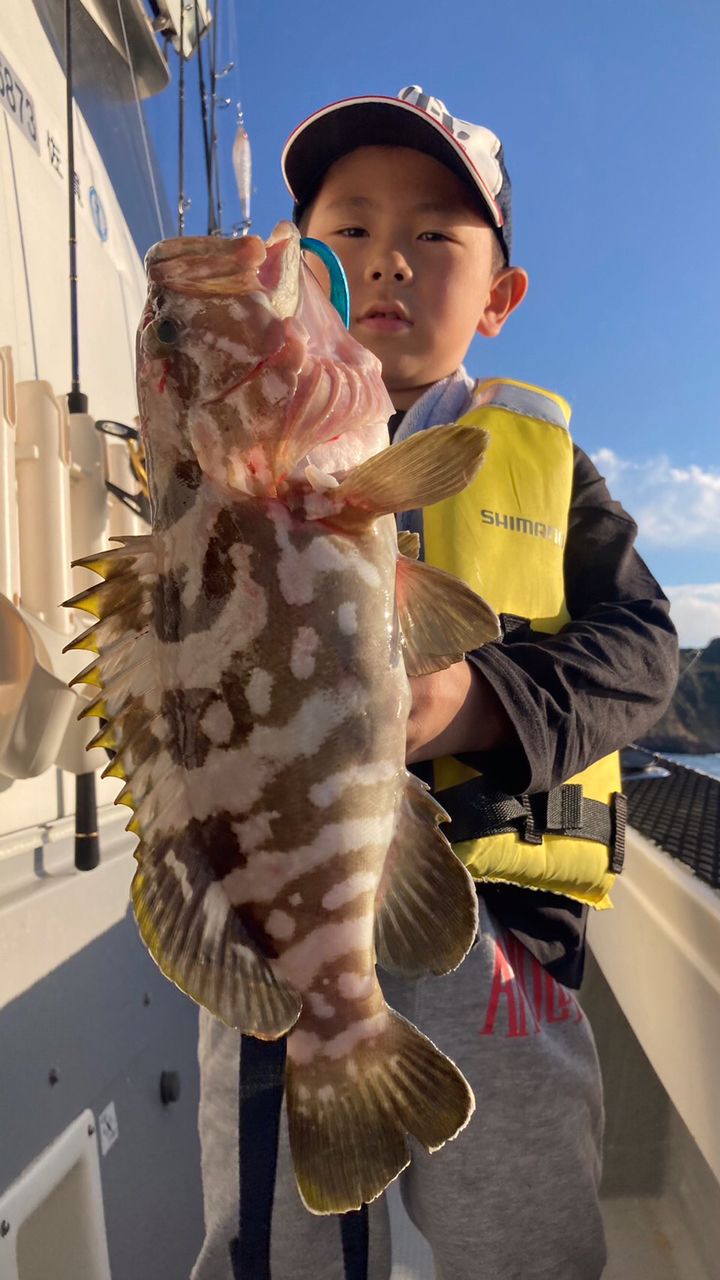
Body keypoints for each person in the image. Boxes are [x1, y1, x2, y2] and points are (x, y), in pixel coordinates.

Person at [191, 87, 678, 1280]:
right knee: (272, 1240)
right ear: (298, 266)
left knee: (522, 1238)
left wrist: (480, 703)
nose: (387, 261)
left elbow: (644, 647)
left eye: (435, 235)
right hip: (272, 926)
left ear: (500, 299)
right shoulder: (230, 450)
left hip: (495, 930)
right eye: (348, 230)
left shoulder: (549, 463)